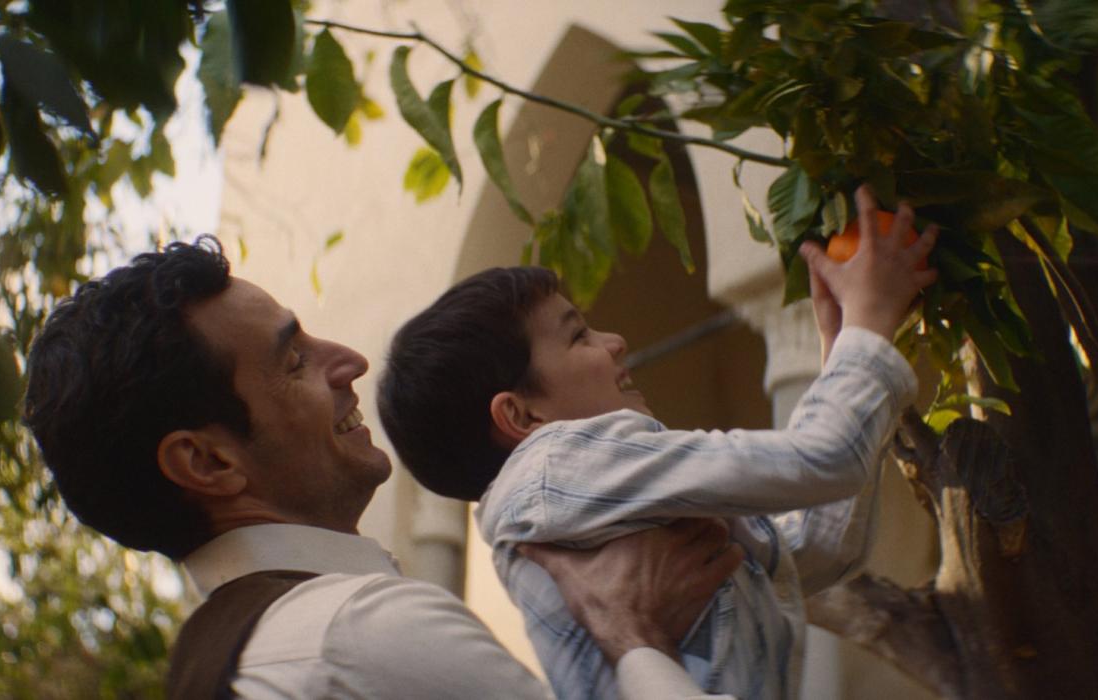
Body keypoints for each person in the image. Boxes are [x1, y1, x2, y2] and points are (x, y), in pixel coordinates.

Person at [22, 235, 743, 698]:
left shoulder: (224, 658)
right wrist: (632, 636)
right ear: (207, 461)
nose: (351, 362)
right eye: (294, 360)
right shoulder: (361, 632)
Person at [378, 186, 938, 699]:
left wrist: (842, 349)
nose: (614, 342)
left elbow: (816, 549)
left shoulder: (587, 508)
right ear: (521, 415)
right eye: (578, 336)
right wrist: (868, 322)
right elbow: (824, 459)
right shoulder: (556, 464)